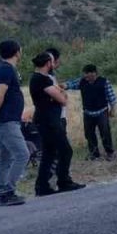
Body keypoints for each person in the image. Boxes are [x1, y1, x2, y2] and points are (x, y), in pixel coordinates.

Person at [29, 52, 85, 196]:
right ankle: (63, 182)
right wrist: (61, 94)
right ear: (48, 63)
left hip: (46, 120)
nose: (54, 64)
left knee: (49, 153)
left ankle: (42, 186)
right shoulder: (42, 79)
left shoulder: (38, 78)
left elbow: (58, 96)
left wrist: (58, 94)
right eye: (53, 61)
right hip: (49, 121)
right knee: (65, 150)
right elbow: (63, 99)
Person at [0, 40, 29, 206]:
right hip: (6, 121)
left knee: (5, 158)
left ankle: (0, 194)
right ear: (17, 52)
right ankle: (8, 191)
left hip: (5, 120)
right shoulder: (6, 70)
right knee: (22, 154)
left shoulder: (3, 69)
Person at [68, 65, 117, 161]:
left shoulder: (104, 82)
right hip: (88, 113)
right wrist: (59, 86)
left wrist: (113, 110)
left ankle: (110, 153)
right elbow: (69, 84)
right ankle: (94, 154)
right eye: (84, 74)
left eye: (87, 73)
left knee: (105, 133)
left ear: (94, 73)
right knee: (89, 134)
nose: (85, 76)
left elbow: (111, 97)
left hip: (102, 112)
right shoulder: (81, 81)